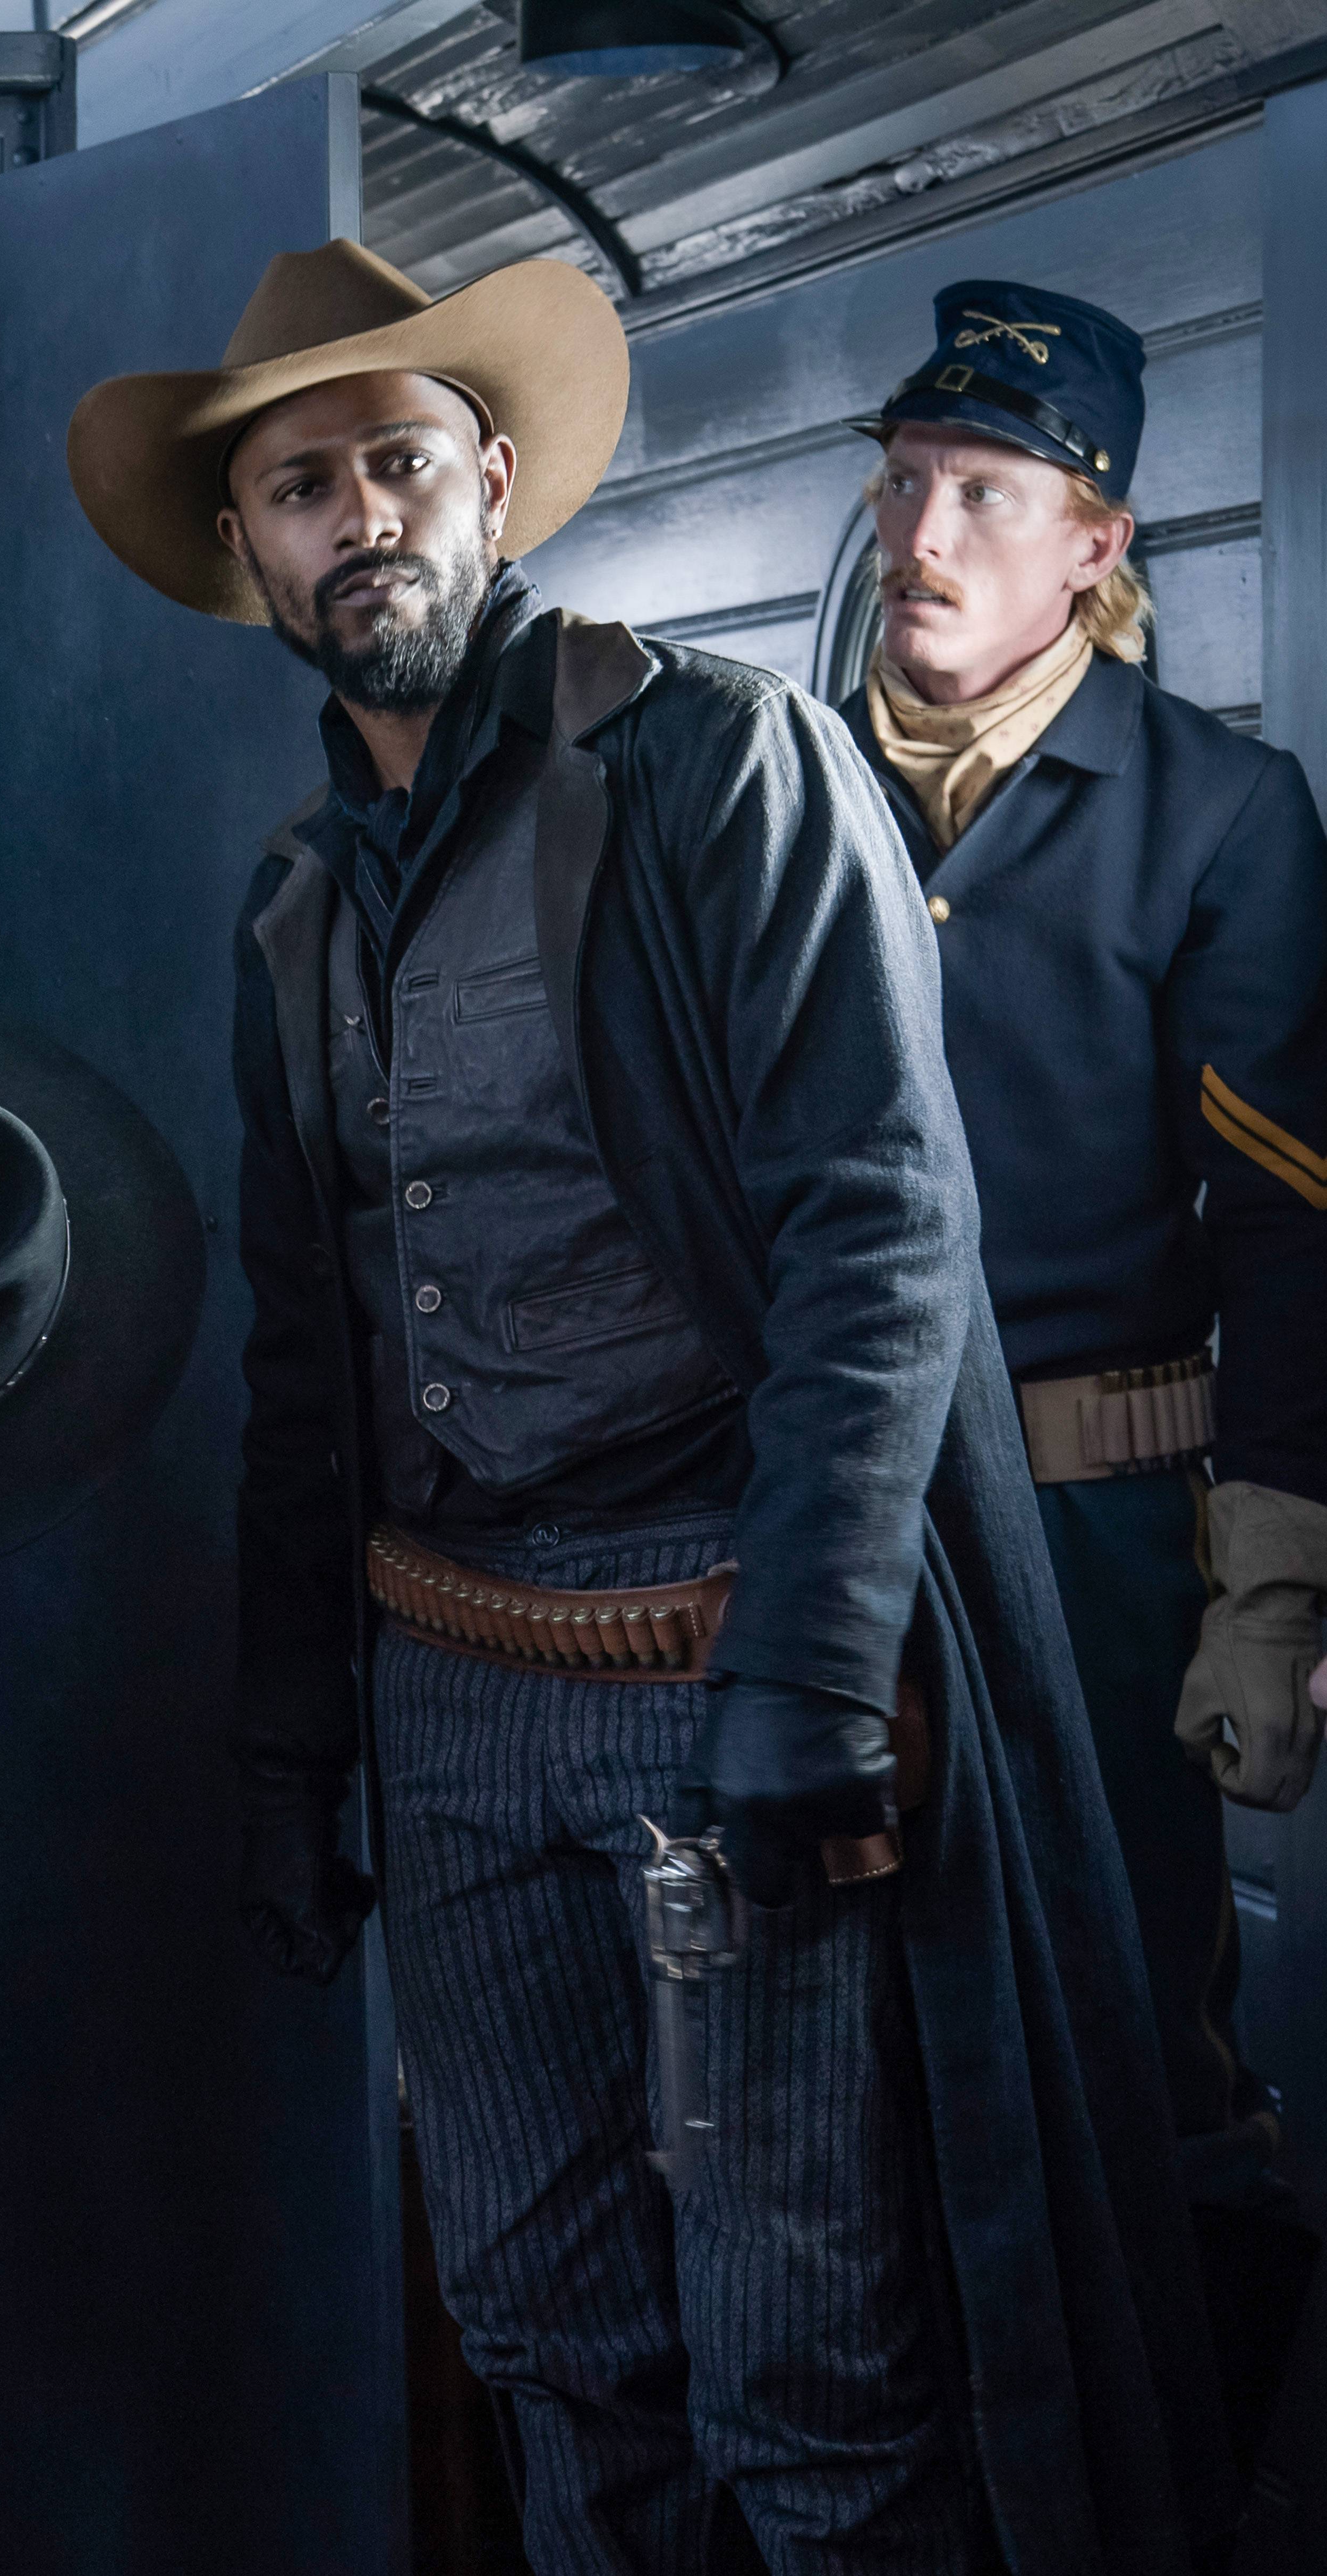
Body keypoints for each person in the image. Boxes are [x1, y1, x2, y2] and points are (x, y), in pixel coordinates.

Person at [67, 242, 1229, 2570]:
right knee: (548, 2334)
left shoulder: (713, 763)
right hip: (453, 1684)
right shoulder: (295, 905)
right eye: (299, 487)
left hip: (724, 1654)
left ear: (491, 485)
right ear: (246, 553)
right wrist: (294, 1743)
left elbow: (875, 1231)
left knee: (811, 2366)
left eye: (397, 460)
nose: (356, 514)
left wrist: (809, 1671)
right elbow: (312, 1356)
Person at [846, 282, 1327, 2390]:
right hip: (831, 1524)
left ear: (1095, 549)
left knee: (1141, 2034)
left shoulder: (1214, 813)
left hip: (1102, 1540)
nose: (924, 534)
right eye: (902, 482)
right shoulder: (776, 785)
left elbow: (1287, 1227)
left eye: (983, 491)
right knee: (846, 2031)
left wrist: (1278, 1580)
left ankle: (1189, 2493)